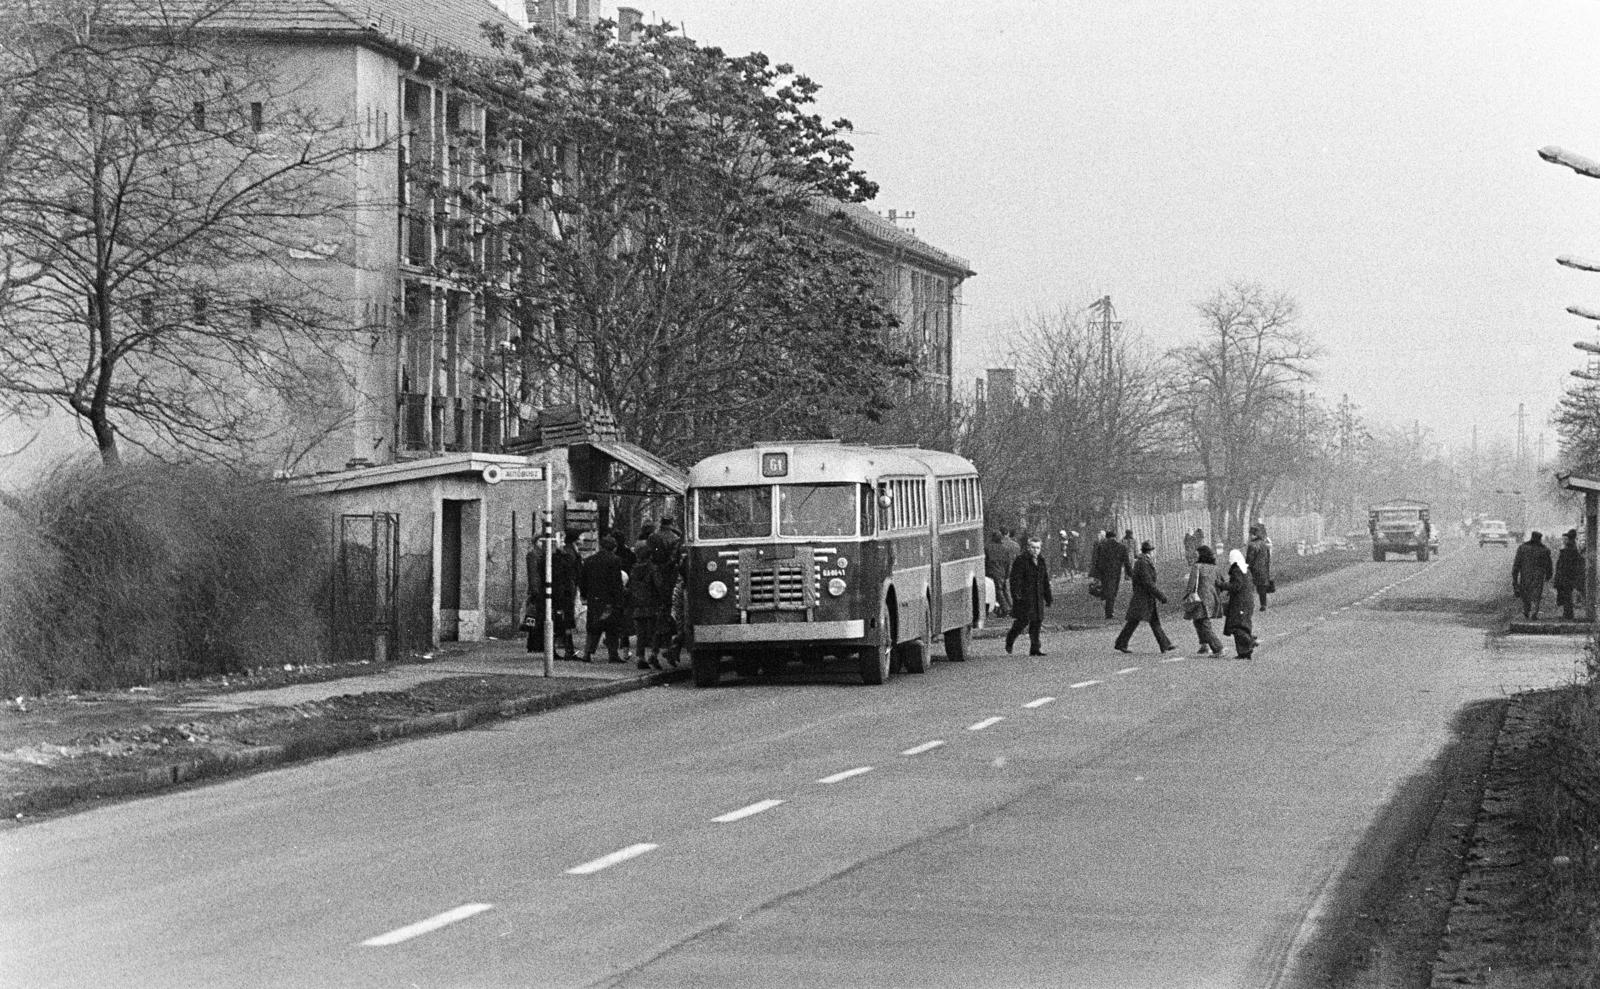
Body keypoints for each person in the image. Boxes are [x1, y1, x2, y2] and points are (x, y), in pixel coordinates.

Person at [1114, 540, 1176, 654]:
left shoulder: (1144, 561)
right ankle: (1121, 643)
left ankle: (1165, 644)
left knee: (1150, 621)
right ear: (1150, 551)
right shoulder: (1142, 563)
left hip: (1145, 596)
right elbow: (1147, 582)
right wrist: (1160, 595)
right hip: (1143, 596)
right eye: (1152, 551)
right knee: (1135, 621)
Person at [524, 534, 577, 660]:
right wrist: (535, 592)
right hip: (550, 594)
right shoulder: (538, 556)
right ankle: (540, 646)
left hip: (554, 594)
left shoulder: (549, 557)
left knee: (553, 621)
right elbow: (535, 575)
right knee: (541, 619)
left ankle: (544, 646)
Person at [578, 534, 628, 663]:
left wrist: (585, 595)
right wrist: (619, 599)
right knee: (612, 628)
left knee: (593, 627)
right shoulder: (615, 560)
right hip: (610, 600)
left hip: (594, 599)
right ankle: (613, 654)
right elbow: (616, 582)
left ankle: (587, 653)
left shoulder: (589, 560)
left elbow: (583, 580)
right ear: (614, 547)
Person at [1005, 536, 1052, 656]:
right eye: (1033, 547)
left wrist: (1048, 597)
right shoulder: (1021, 560)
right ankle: (1010, 639)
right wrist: (1017, 594)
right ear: (1028, 548)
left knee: (1037, 622)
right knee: (1022, 621)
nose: (1035, 550)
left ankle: (1035, 648)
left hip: (1038, 597)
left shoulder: (1041, 561)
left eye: (1038, 548)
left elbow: (1045, 580)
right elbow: (1015, 579)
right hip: (1025, 597)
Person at [1184, 544, 1225, 656]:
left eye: (1197, 554)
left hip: (1199, 598)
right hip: (1212, 598)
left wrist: (1188, 595)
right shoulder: (1215, 568)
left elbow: (1192, 584)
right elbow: (1221, 582)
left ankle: (1218, 648)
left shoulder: (1197, 567)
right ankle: (1204, 645)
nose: (1195, 556)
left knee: (1203, 624)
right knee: (1198, 621)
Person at [1219, 548, 1256, 658]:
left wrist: (1222, 585)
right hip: (1247, 601)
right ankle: (1244, 652)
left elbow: (1236, 586)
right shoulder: (1246, 569)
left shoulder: (1237, 570)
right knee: (1243, 626)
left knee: (1237, 627)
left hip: (1239, 602)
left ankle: (1249, 642)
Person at [1513, 530, 1555, 620]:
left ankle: (1526, 610)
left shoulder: (1522, 548)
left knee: (1525, 593)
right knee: (1537, 594)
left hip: (1525, 574)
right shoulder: (1544, 550)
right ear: (1540, 539)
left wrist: (1515, 577)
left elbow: (1516, 564)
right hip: (1538, 575)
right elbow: (1549, 564)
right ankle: (1534, 612)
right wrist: (1549, 574)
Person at [1091, 529, 1132, 620]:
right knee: (1112, 592)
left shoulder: (1101, 546)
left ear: (1106, 537)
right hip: (1115, 573)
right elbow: (1127, 563)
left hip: (1103, 573)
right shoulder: (1121, 547)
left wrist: (1096, 575)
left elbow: (1096, 561)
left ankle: (1108, 608)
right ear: (1115, 537)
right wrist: (1131, 574)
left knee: (1107, 590)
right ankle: (1109, 611)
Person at [1555, 529, 1586, 621]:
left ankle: (1568, 615)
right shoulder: (1573, 547)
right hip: (1569, 575)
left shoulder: (1569, 548)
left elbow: (1564, 564)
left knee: (1566, 595)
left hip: (1566, 575)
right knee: (1567, 595)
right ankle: (1567, 614)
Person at [985, 531, 1013, 617]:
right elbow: (1008, 562)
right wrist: (1007, 573)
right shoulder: (1005, 548)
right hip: (1003, 572)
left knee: (997, 591)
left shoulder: (987, 548)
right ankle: (1009, 607)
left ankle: (1005, 609)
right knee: (1003, 590)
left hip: (992, 572)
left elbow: (986, 561)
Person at [1246, 524, 1274, 610]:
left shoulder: (1252, 545)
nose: (1249, 535)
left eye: (1250, 533)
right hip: (1263, 568)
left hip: (1253, 569)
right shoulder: (1264, 544)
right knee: (1262, 588)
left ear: (1253, 534)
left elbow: (1250, 558)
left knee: (1248, 587)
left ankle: (1248, 605)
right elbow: (1268, 557)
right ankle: (1263, 604)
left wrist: (1246, 566)